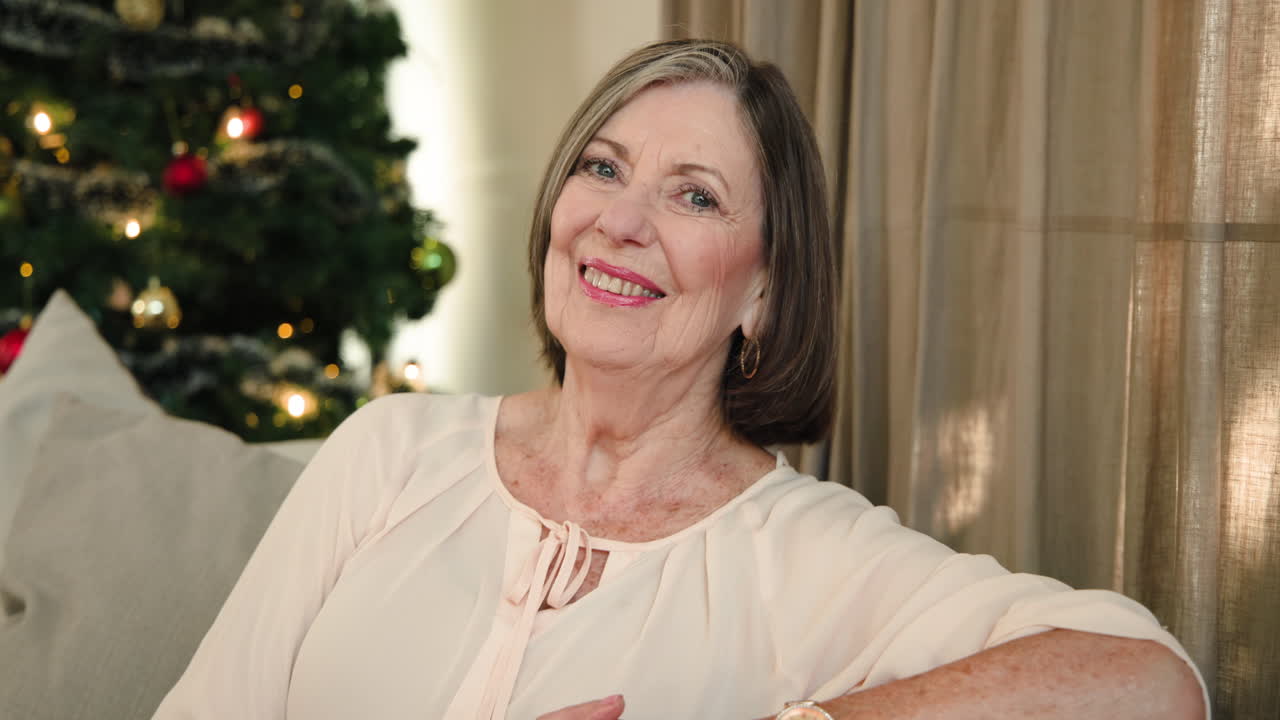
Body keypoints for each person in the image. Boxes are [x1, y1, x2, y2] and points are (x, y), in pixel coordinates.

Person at [153, 39, 1208, 720]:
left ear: (762, 291)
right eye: (602, 168)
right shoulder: (389, 453)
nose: (620, 219)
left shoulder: (804, 553)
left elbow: (1148, 683)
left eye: (693, 197)